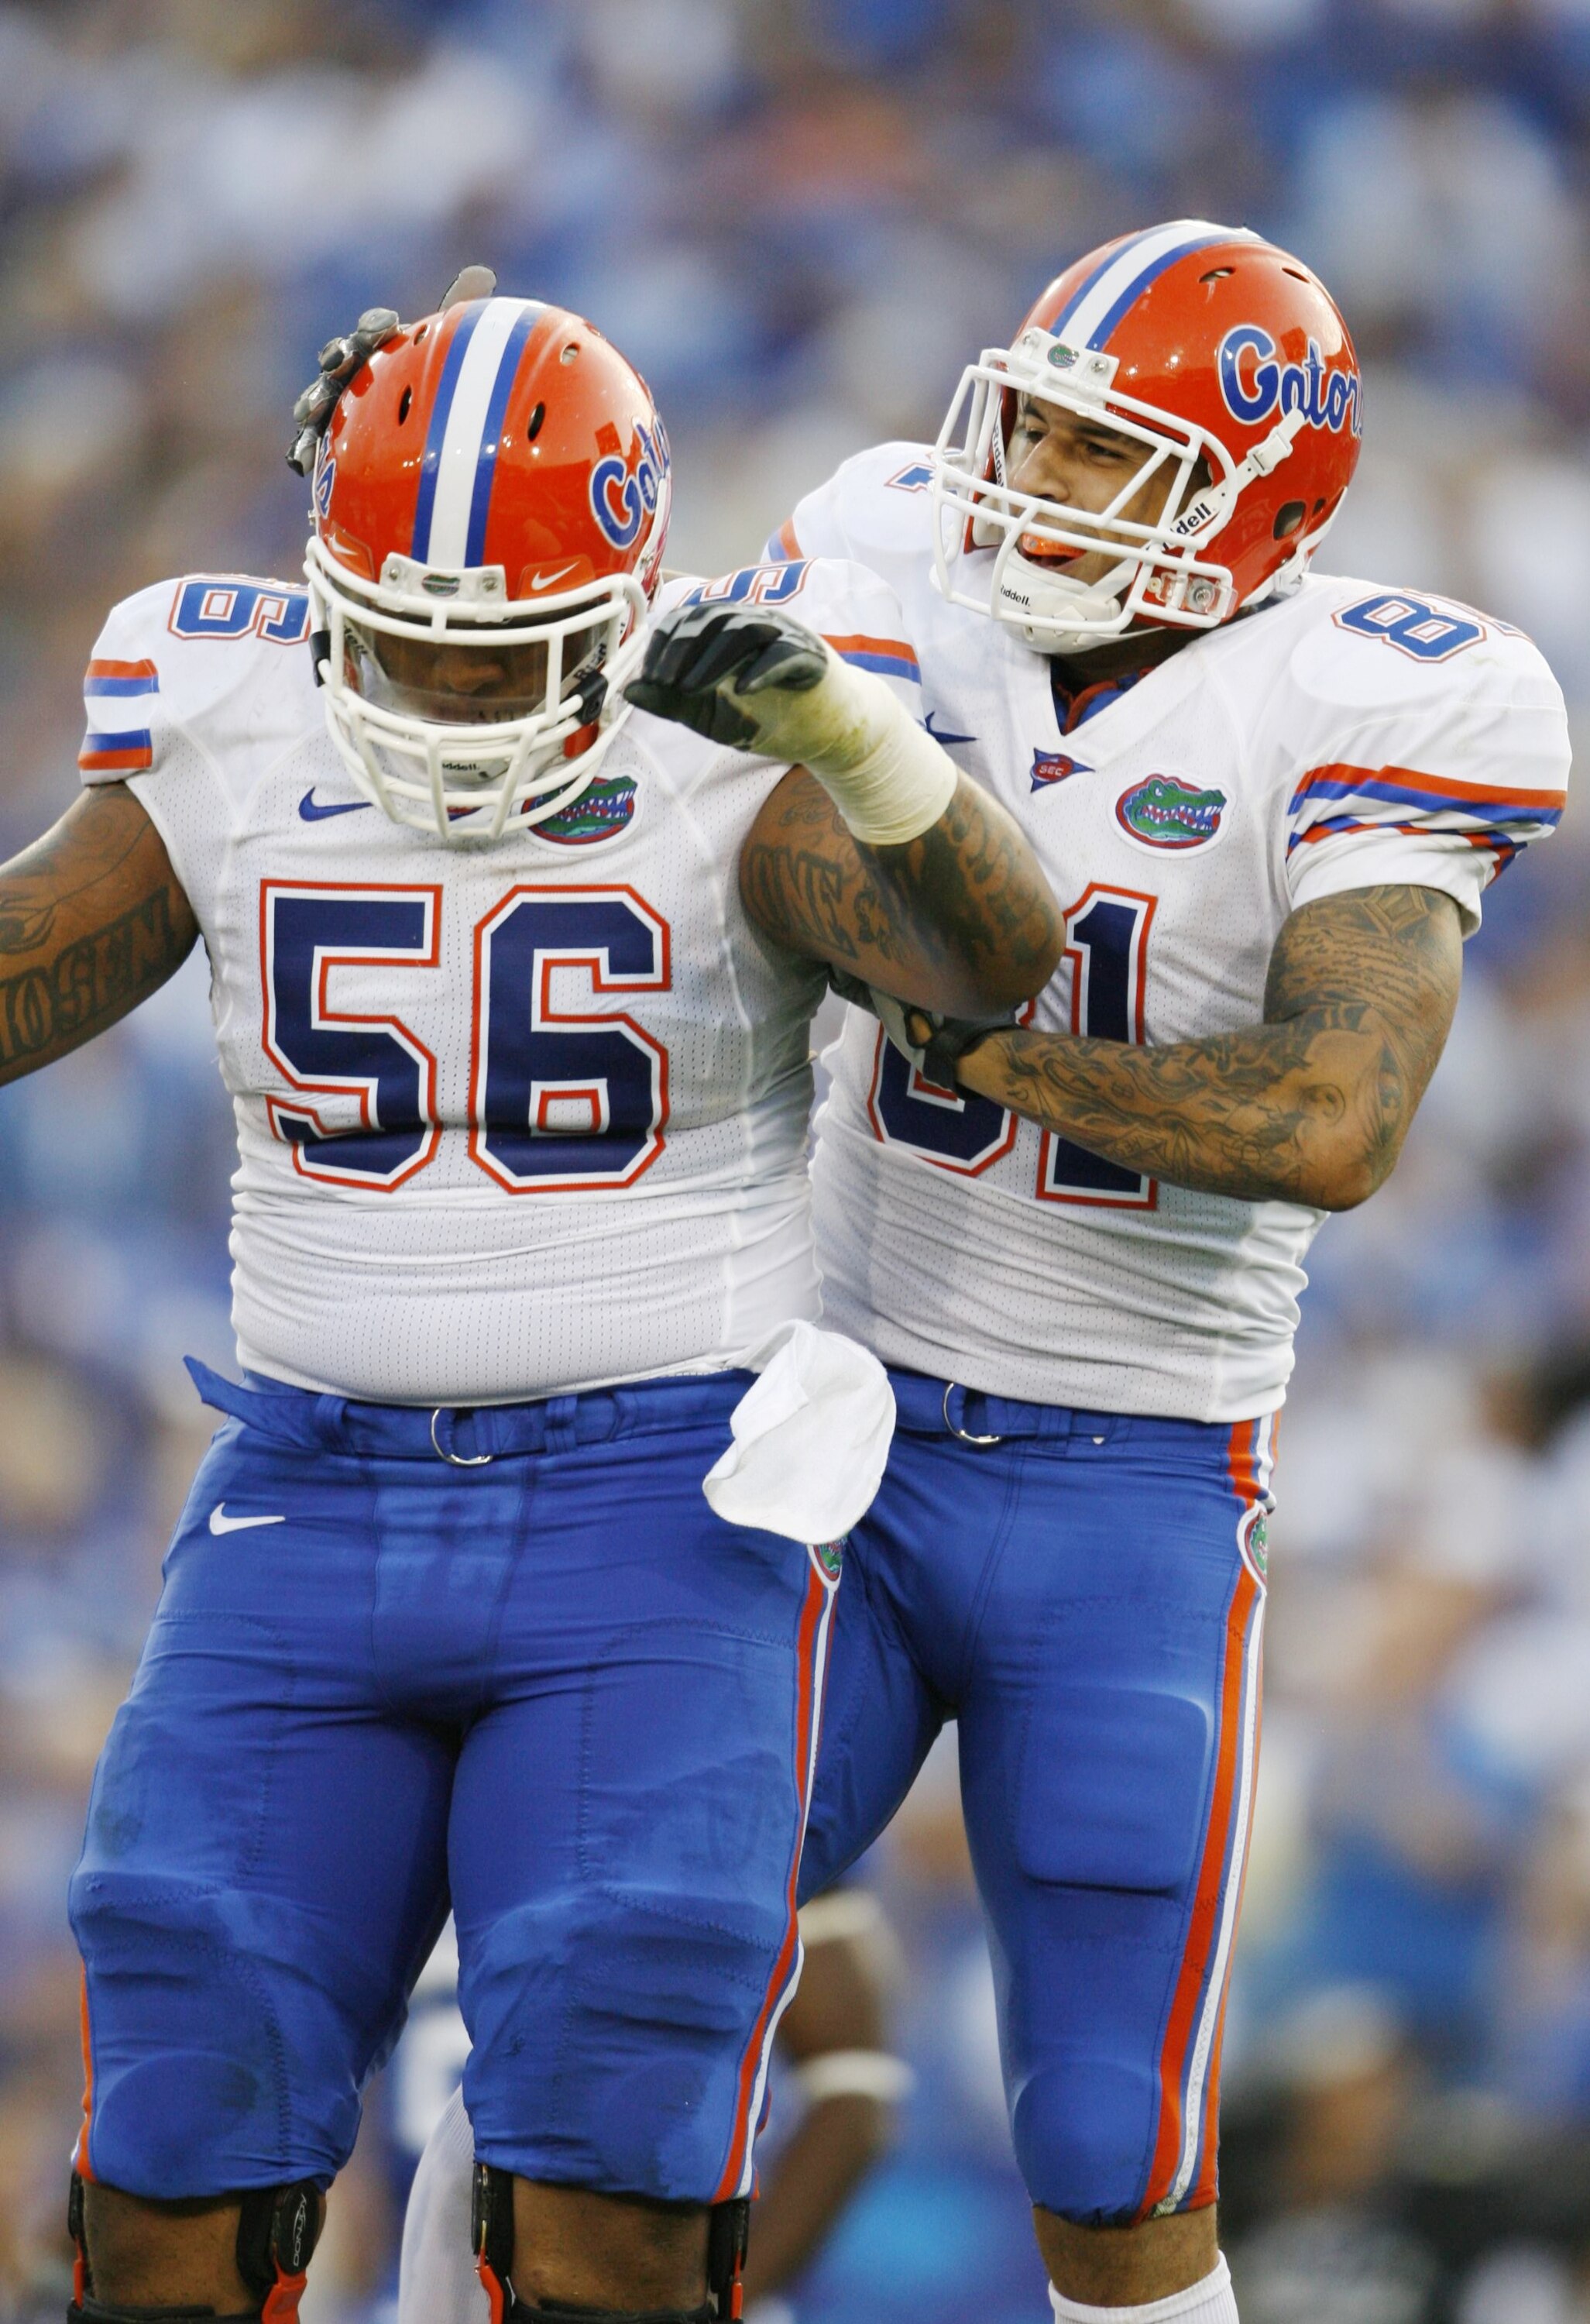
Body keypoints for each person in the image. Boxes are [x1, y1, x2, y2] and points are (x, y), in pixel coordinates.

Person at [6, 283, 1062, 2324]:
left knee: (612, 2187)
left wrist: (852, 740)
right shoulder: (218, 702)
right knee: (166, 2149)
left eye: (493, 650)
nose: (436, 689)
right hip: (304, 1501)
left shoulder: (727, 739)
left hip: (654, 1518)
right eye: (394, 632)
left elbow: (994, 966)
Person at [743, 218, 1570, 2324]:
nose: (1026, 482)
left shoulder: (1388, 688)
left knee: (1113, 2155)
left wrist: (975, 1034)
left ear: (1246, 499)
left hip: (1121, 1478)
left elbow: (1327, 1120)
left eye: (1102, 455)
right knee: (603, 1974)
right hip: (825, 1410)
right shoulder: (887, 546)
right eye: (1027, 423)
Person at [397, 1887, 908, 2324]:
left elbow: (854, 2087)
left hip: (651, 2263)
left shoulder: (717, 1801)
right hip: (427, 2265)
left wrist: (715, 2304)